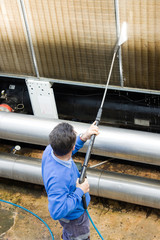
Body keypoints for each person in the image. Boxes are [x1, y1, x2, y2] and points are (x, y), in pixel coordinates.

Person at [42, 121, 99, 240]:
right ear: (72, 147)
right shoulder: (59, 178)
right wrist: (79, 191)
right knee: (79, 236)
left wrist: (83, 137)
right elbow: (57, 212)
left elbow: (66, 152)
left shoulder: (50, 150)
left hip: (71, 215)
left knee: (70, 234)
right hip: (74, 219)